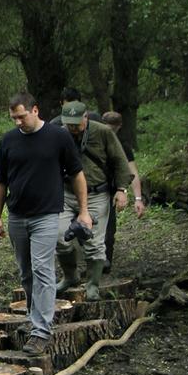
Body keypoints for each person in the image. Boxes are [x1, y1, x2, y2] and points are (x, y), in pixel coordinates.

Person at [0, 92, 91, 356]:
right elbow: (0, 180)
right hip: (17, 216)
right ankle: (34, 315)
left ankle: (41, 330)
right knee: (26, 272)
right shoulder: (8, 141)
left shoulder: (58, 137)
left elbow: (77, 175)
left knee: (42, 269)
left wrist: (84, 211)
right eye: (13, 118)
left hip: (47, 215)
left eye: (21, 116)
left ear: (35, 110)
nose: (18, 122)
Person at [54, 101, 134, 300]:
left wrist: (122, 190)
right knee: (60, 237)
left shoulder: (103, 133)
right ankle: (70, 276)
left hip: (97, 193)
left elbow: (120, 161)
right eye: (68, 124)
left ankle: (92, 285)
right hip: (66, 193)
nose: (72, 128)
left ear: (86, 118)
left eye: (76, 124)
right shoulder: (57, 133)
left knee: (94, 242)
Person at [99, 110, 147, 269]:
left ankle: (105, 261)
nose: (110, 133)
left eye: (113, 130)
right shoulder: (92, 140)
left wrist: (138, 199)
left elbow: (132, 173)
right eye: (108, 129)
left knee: (109, 228)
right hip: (91, 189)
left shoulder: (123, 146)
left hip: (111, 190)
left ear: (119, 127)